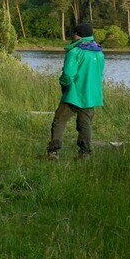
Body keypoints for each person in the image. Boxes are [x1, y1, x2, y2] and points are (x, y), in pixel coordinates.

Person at [46, 22, 105, 160]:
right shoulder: (99, 53)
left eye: (74, 33)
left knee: (59, 120)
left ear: (77, 35)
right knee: (85, 124)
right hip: (91, 95)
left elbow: (67, 74)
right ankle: (85, 154)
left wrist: (65, 85)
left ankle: (53, 152)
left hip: (74, 94)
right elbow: (100, 74)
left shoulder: (75, 51)